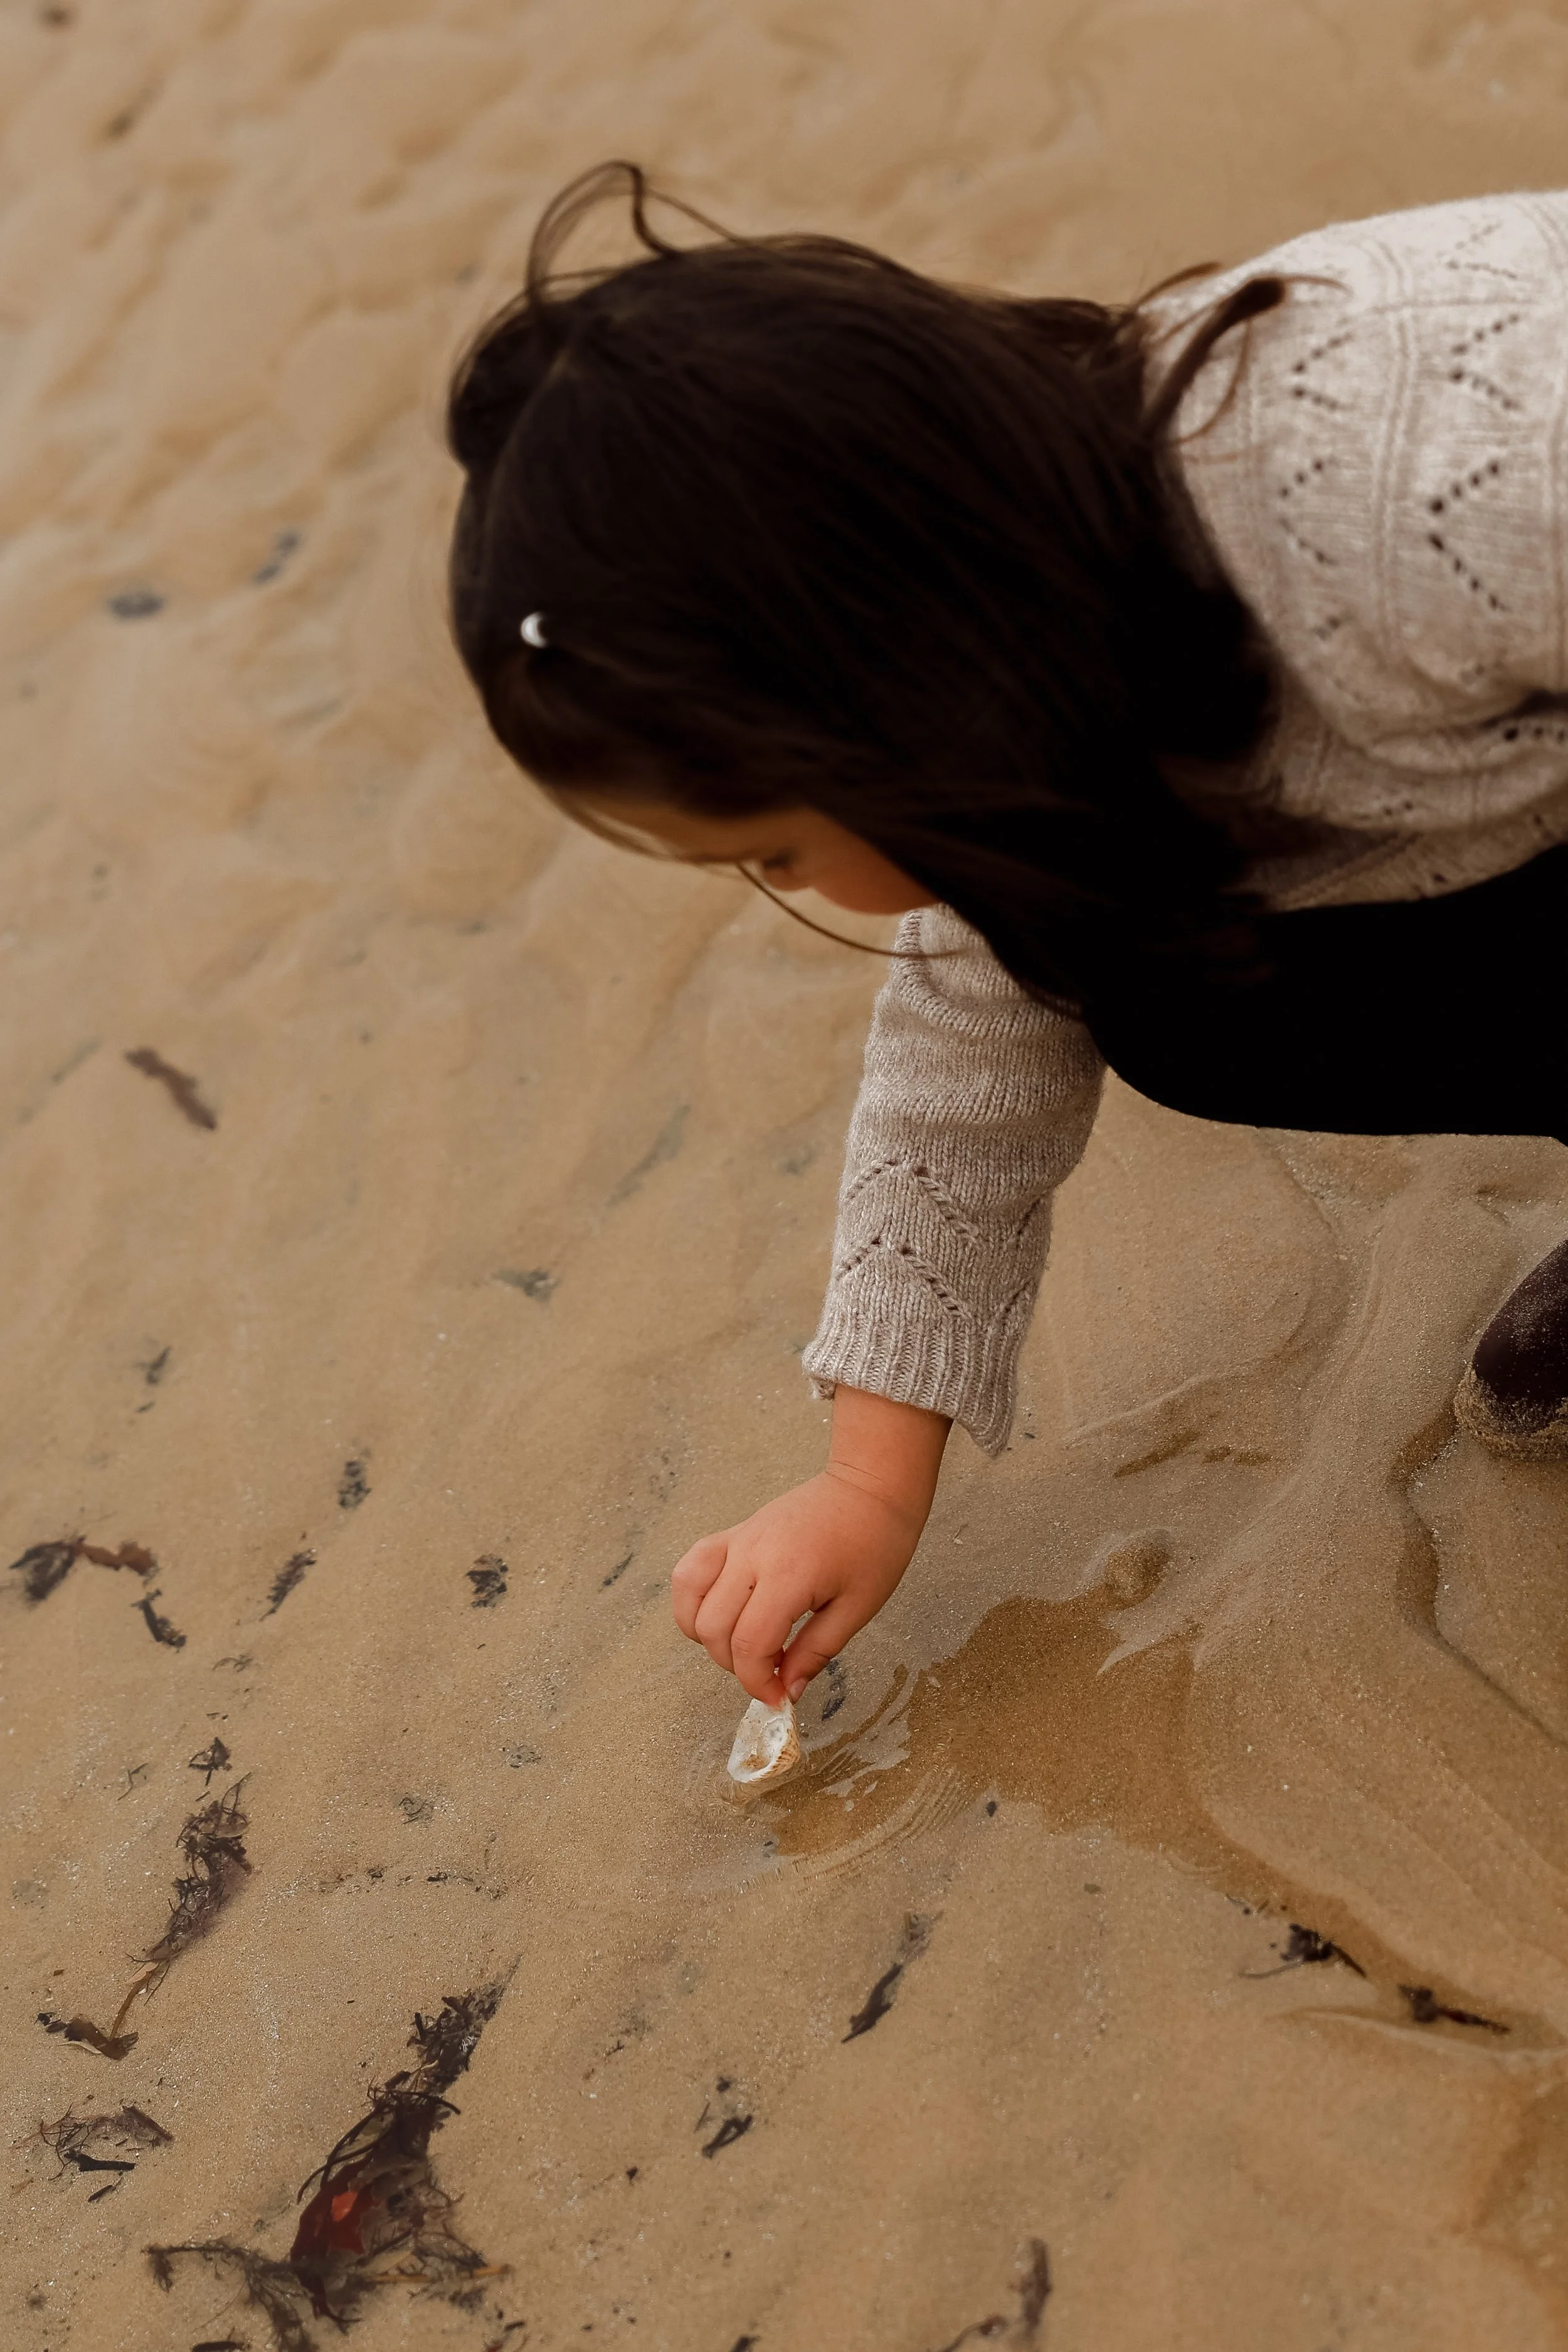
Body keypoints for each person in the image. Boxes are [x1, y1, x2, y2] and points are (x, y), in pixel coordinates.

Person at [447, 163, 1568, 1717]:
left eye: (778, 847)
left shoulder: (1392, 483)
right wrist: (866, 1482)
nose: (810, 893)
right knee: (1159, 992)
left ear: (898, 691)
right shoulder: (1050, 713)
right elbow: (955, 1087)